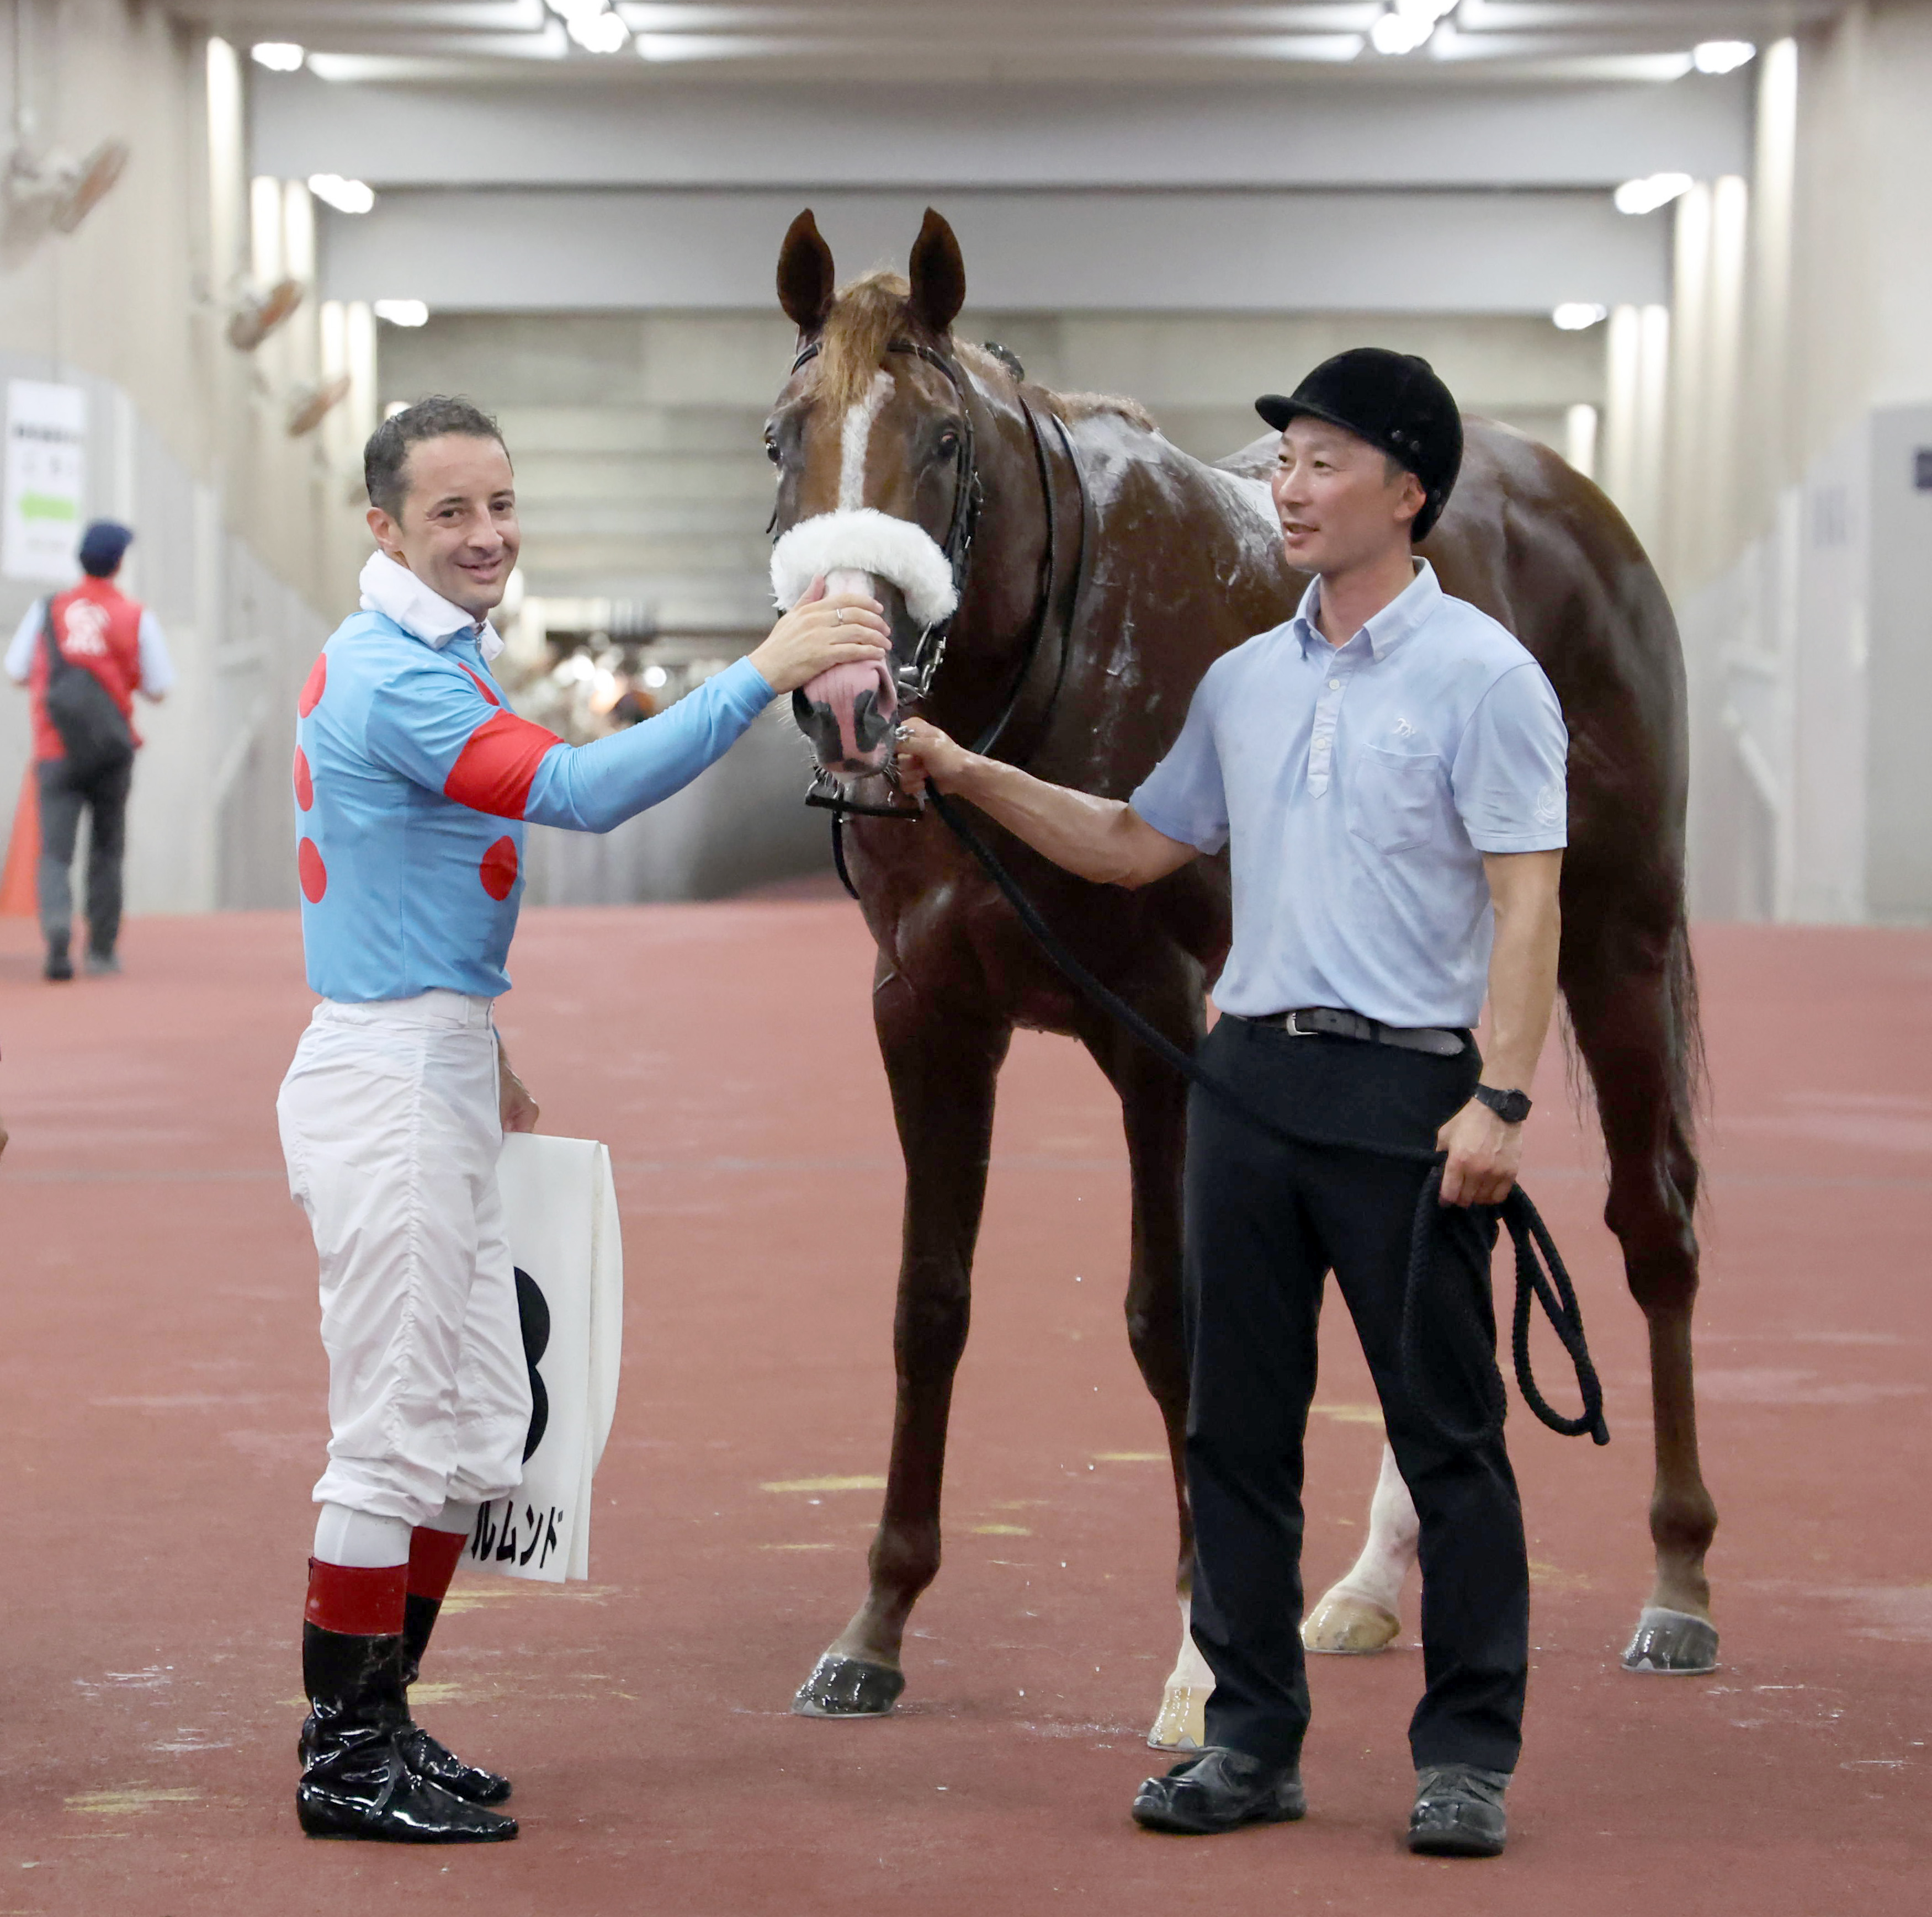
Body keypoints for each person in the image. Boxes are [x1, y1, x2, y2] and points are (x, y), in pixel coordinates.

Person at [895, 349, 1567, 1861]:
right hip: (1247, 1077)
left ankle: (1463, 1753)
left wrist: (1503, 1098)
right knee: (1238, 1437)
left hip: (1408, 1093)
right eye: (1282, 463)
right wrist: (965, 772)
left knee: (1446, 1437)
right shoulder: (1246, 679)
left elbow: (1528, 904)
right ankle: (1252, 1739)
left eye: (1324, 462)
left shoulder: (1484, 678)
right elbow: (1136, 843)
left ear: (1409, 493)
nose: (1288, 488)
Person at [280, 395, 889, 1844]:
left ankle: (385, 1721)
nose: (487, 534)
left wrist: (474, 1037)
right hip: (386, 1075)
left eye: (500, 504)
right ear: (383, 529)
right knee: (394, 1430)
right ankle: (339, 1752)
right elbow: (576, 790)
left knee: (477, 1421)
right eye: (450, 513)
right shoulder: (394, 676)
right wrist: (761, 673)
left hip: (428, 1054)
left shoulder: (433, 648)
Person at [4, 520, 175, 980]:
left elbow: (16, 670)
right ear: (118, 563)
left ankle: (58, 930)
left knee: (55, 851)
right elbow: (161, 686)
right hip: (110, 749)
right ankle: (101, 950)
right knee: (107, 849)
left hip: (54, 748)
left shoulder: (46, 610)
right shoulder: (135, 615)